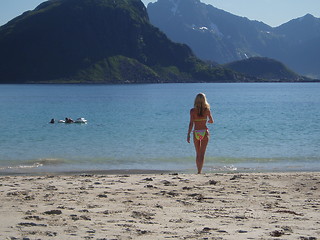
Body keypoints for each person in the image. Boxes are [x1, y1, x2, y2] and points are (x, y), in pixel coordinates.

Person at [187, 93, 214, 174]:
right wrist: (207, 120)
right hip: (204, 132)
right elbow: (212, 121)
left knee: (198, 153)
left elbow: (191, 123)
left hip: (196, 133)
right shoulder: (207, 110)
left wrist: (188, 134)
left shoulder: (192, 111)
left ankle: (198, 170)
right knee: (202, 154)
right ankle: (200, 171)